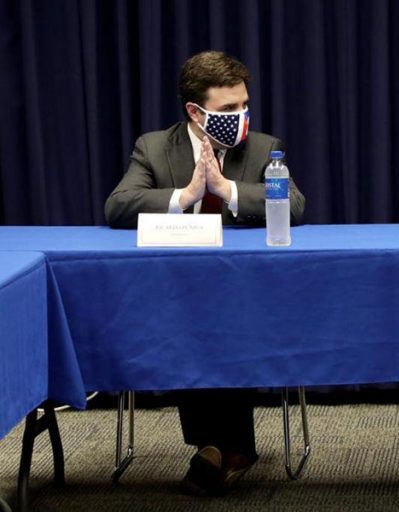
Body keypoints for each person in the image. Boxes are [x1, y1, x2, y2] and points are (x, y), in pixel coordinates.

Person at [105, 51, 306, 496]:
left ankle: (215, 450)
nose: (241, 117)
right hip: (176, 291)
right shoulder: (155, 147)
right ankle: (230, 449)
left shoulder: (263, 147)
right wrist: (186, 194)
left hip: (246, 293)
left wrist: (226, 189)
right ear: (195, 112)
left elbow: (293, 206)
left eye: (244, 105)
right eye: (229, 109)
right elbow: (118, 206)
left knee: (219, 323)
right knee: (193, 321)